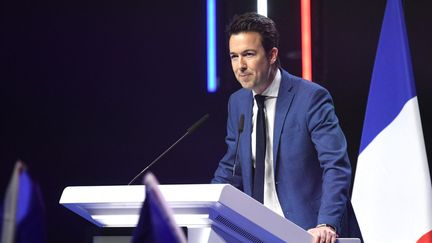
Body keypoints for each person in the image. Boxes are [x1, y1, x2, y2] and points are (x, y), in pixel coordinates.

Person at [212, 12, 361, 243]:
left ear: (272, 55)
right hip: (257, 232)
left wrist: (326, 223)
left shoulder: (311, 98)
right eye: (234, 56)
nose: (240, 65)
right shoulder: (238, 102)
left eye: (249, 54)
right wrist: (209, 202)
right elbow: (232, 169)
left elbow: (336, 165)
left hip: (309, 231)